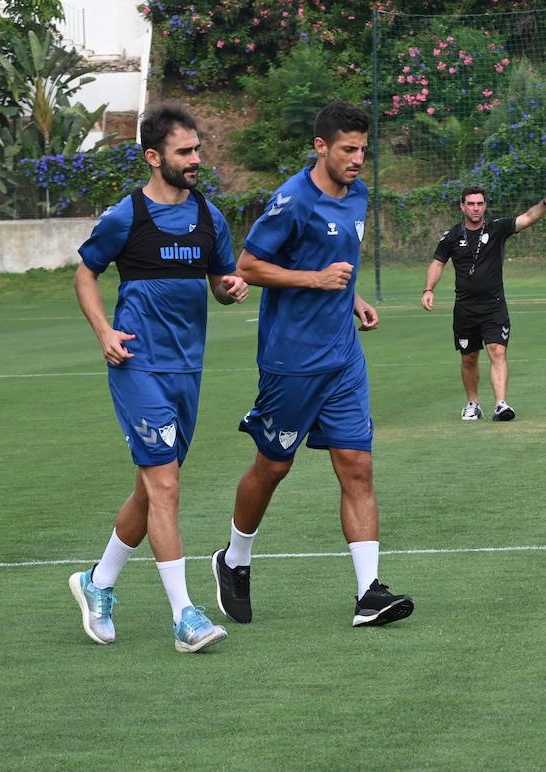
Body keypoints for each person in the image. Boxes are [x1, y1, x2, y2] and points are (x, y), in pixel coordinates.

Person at [209, 101, 414, 629]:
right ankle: (234, 559)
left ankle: (369, 592)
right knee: (274, 466)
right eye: (348, 149)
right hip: (292, 359)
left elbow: (336, 265)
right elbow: (249, 266)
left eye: (363, 150)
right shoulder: (292, 200)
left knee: (357, 466)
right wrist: (317, 281)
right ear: (320, 146)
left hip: (343, 357)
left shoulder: (360, 196)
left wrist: (352, 297)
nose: (357, 160)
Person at [69, 104, 246, 653]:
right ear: (153, 157)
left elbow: (220, 278)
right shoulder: (127, 216)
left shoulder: (210, 218)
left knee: (151, 489)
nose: (196, 160)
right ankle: (185, 616)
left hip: (187, 371)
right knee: (166, 485)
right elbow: (84, 274)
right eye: (185, 152)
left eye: (198, 150)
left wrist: (229, 288)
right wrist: (104, 331)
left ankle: (96, 584)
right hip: (137, 366)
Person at [421, 185, 546, 421]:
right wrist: (428, 289)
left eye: (480, 204)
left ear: (485, 206)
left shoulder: (497, 228)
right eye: (471, 204)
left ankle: (501, 404)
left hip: (494, 305)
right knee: (469, 358)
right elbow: (438, 263)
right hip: (465, 308)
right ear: (462, 206)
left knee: (497, 351)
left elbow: (527, 218)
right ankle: (473, 404)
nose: (475, 208)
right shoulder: (452, 236)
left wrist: (545, 203)